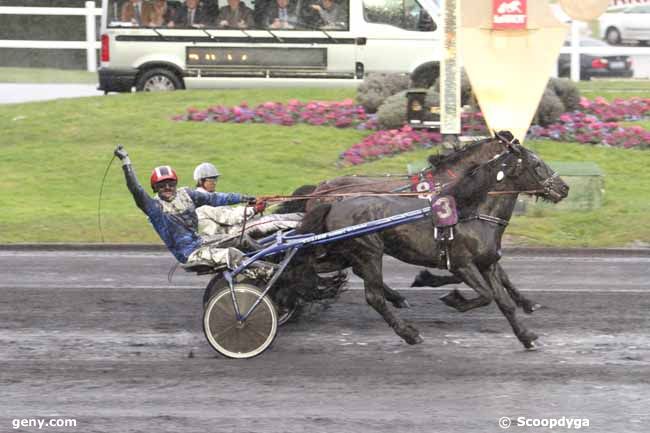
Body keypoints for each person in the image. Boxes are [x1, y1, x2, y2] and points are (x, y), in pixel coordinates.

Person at [113, 146, 275, 278]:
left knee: (243, 239)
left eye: (170, 184)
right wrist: (126, 161)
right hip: (190, 254)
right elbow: (136, 189)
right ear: (155, 188)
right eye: (162, 185)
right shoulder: (155, 208)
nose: (167, 188)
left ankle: (272, 262)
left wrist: (247, 198)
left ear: (175, 183)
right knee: (233, 254)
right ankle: (268, 273)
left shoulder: (187, 195)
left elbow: (216, 198)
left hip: (201, 241)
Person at [193, 162, 303, 242]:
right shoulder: (201, 202)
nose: (215, 183)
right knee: (271, 220)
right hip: (229, 234)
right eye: (211, 180)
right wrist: (254, 209)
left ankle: (304, 217)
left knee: (275, 217)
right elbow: (229, 218)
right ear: (200, 181)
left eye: (215, 179)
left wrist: (252, 203)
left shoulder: (212, 196)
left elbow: (230, 211)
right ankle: (306, 225)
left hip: (234, 227)